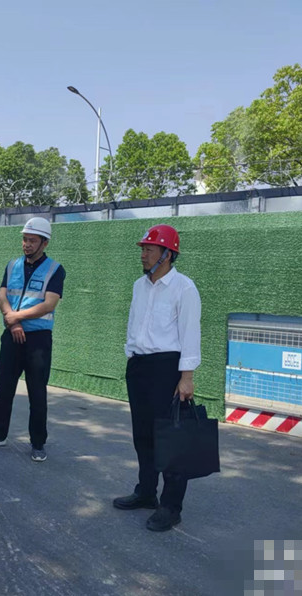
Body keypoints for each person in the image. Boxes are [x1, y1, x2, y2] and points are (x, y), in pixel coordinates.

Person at [113, 224, 201, 532]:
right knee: (143, 435)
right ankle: (146, 492)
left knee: (170, 439)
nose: (144, 254)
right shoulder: (140, 286)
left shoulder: (184, 288)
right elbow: (134, 323)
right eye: (143, 249)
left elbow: (190, 333)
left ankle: (171, 507)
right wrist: (131, 354)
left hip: (167, 368)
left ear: (167, 254)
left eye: (149, 249)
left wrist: (186, 377)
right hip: (139, 366)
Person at [0, 217, 65, 462]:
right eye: (25, 239)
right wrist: (13, 322)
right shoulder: (12, 265)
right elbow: (2, 296)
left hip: (38, 340)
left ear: (44, 243)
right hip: (12, 335)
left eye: (32, 240)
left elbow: (49, 304)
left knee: (37, 391)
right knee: (5, 387)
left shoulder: (55, 270)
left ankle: (38, 442)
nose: (27, 244)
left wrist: (15, 317)